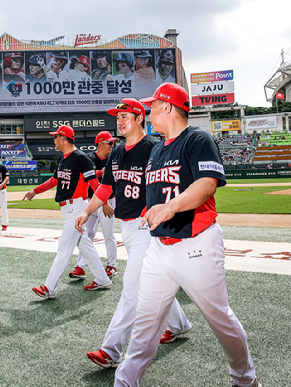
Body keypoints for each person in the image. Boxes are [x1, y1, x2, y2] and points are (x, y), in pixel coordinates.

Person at [113, 84, 260, 387]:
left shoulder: (197, 139)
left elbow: (207, 183)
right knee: (145, 324)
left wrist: (170, 207)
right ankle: (125, 382)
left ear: (167, 107)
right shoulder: (156, 149)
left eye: (152, 106)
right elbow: (160, 192)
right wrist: (153, 210)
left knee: (220, 320)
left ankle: (245, 380)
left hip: (196, 243)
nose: (149, 112)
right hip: (158, 247)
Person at [73, 98, 191, 372]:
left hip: (146, 226)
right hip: (126, 225)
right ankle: (179, 324)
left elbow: (170, 182)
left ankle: (111, 349)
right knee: (154, 279)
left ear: (140, 118)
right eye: (118, 117)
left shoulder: (154, 148)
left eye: (126, 116)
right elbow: (104, 189)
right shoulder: (117, 154)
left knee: (132, 286)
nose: (120, 121)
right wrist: (87, 212)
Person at [23, 125, 112, 299]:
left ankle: (49, 288)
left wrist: (104, 203)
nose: (54, 140)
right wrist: (35, 191)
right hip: (67, 208)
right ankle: (102, 279)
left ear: (63, 139)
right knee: (85, 246)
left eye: (56, 137)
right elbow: (53, 180)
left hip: (76, 208)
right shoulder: (63, 158)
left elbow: (94, 183)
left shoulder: (81, 158)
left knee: (64, 249)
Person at [69, 131, 118, 279]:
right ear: (100, 143)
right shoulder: (88, 158)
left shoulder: (114, 158)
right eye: (109, 142)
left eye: (113, 142)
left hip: (108, 201)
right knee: (87, 234)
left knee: (108, 234)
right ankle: (81, 267)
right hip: (92, 200)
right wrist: (99, 172)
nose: (112, 145)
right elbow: (86, 176)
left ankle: (111, 266)